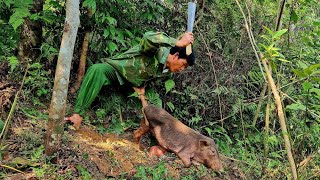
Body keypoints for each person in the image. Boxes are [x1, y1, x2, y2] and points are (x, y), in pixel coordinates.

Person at [65, 31, 195, 129]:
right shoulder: (157, 50)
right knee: (97, 70)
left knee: (155, 105)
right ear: (176, 56)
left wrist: (142, 92)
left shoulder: (167, 72)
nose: (182, 69)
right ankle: (77, 115)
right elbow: (148, 37)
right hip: (118, 72)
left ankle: (154, 138)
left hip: (134, 85)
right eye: (184, 65)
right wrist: (177, 42)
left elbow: (148, 76)